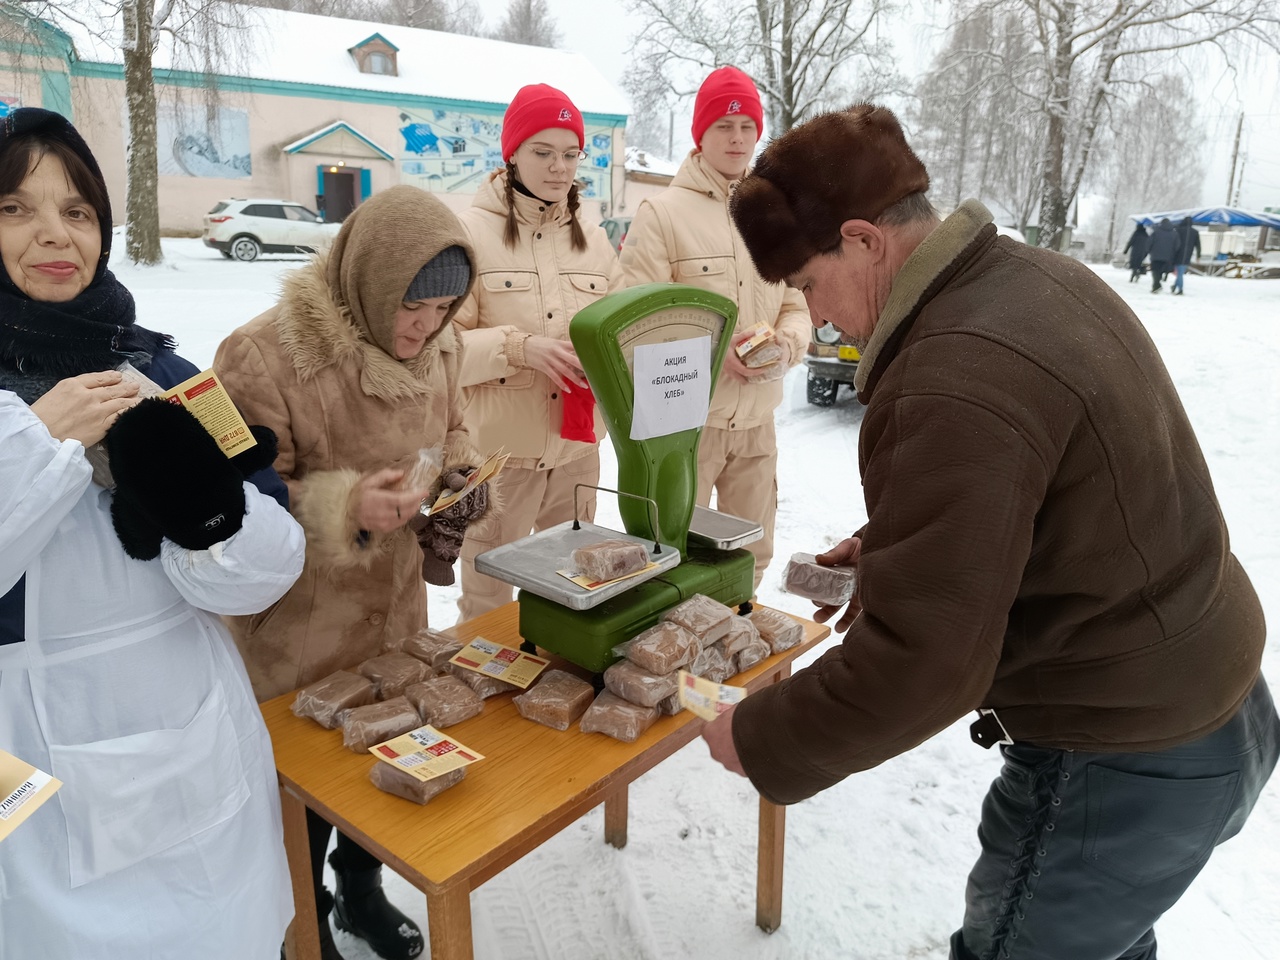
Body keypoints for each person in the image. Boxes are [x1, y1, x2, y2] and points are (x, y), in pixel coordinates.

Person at [702, 103, 1279, 960]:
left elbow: (926, 661)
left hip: (1117, 755)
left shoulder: (953, 371)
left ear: (863, 241)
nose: (818, 319)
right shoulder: (1035, 279)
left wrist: (761, 735)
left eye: (809, 284)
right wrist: (900, 544)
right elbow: (1063, 490)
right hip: (1211, 707)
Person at [0, 108, 305, 958]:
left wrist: (209, 514)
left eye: (79, 210)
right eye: (15, 209)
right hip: (27, 762)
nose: (54, 235)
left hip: (190, 741)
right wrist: (39, 444)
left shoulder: (167, 376)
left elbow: (271, 567)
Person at [216, 185, 488, 960]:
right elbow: (231, 503)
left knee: (384, 754)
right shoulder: (265, 355)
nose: (426, 327)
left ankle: (362, 893)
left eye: (443, 311)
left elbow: (456, 430)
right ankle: (304, 919)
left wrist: (466, 479)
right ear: (368, 280)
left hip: (396, 610)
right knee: (299, 788)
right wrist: (343, 506)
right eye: (413, 307)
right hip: (296, 625)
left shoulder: (443, 346)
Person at [619, 66, 809, 591]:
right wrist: (709, 351)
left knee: (753, 553)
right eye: (724, 125)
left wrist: (789, 345)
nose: (737, 137)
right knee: (671, 556)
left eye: (747, 126)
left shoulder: (772, 215)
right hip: (686, 426)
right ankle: (671, 665)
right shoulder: (661, 213)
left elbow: (796, 298)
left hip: (757, 425)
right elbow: (635, 318)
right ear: (700, 134)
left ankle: (736, 654)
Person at [453, 83, 623, 621]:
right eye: (542, 153)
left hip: (577, 454)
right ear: (512, 154)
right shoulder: (468, 233)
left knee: (571, 589)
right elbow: (438, 351)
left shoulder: (593, 239)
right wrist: (517, 348)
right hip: (499, 460)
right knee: (487, 601)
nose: (558, 168)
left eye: (570, 154)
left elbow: (623, 328)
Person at [1147, 216, 1178, 292]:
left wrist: (1149, 251)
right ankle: (1157, 285)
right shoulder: (1174, 233)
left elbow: (1149, 243)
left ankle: (1156, 285)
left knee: (1155, 270)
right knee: (1160, 270)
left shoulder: (1156, 232)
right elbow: (1177, 245)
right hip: (1168, 256)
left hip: (1155, 255)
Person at [1172, 215, 1201, 295]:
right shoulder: (1195, 232)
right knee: (1180, 272)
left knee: (1179, 273)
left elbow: (1174, 243)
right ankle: (1174, 286)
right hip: (1188, 255)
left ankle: (1180, 289)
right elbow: (1198, 245)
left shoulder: (1178, 230)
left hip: (1177, 254)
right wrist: (1198, 256)